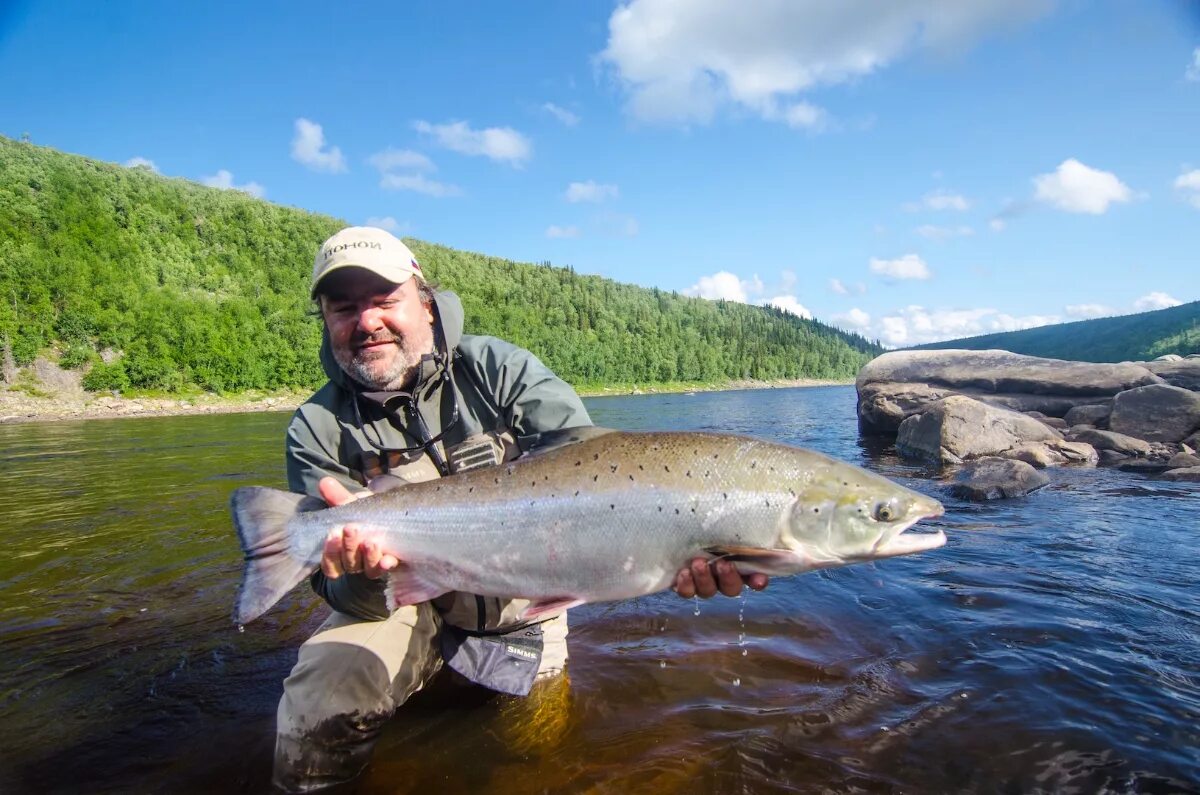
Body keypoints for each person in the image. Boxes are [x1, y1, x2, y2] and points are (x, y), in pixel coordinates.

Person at [274, 226, 768, 792]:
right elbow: (341, 596)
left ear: (427, 306)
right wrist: (357, 571)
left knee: (534, 755)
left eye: (385, 300)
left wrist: (686, 541)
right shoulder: (317, 428)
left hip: (522, 600)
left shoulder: (495, 370)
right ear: (328, 323)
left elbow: (592, 459)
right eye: (344, 308)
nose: (366, 322)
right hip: (396, 604)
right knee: (315, 715)